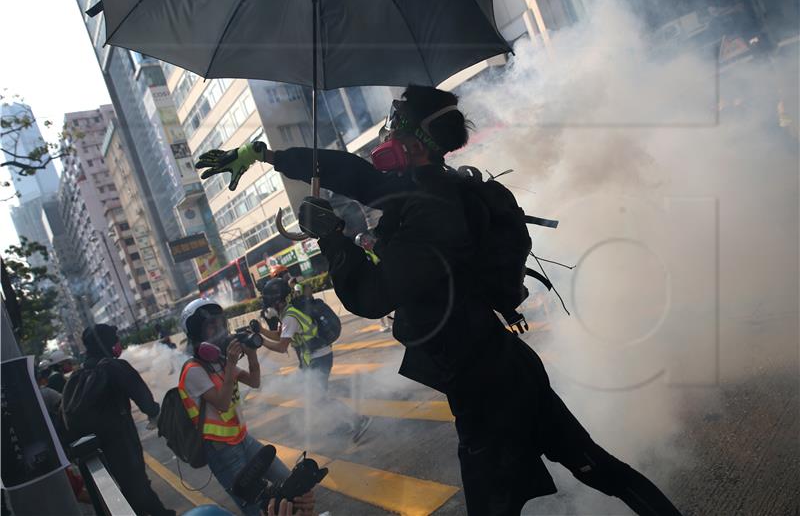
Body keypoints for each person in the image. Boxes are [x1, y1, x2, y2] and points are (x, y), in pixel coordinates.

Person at [196, 85, 683, 515]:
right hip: (502, 369)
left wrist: (334, 239)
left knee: (553, 481)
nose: (386, 136)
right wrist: (265, 154)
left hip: (486, 389)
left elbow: (372, 295)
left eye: (394, 126)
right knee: (596, 466)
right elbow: (351, 173)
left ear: (410, 142)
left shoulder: (434, 211)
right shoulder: (427, 189)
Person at [179, 299, 312, 516]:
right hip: (222, 450)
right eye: (211, 326)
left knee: (287, 480)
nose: (219, 331)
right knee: (253, 505)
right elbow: (222, 403)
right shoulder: (193, 370)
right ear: (196, 334)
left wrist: (251, 354)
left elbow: (254, 381)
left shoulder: (220, 362)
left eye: (220, 324)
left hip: (243, 438)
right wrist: (231, 363)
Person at [257, 278, 372, 443]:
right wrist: (260, 331)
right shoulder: (287, 313)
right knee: (315, 396)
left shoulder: (289, 317)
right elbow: (278, 335)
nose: (267, 306)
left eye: (268, 302)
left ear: (277, 301)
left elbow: (282, 346)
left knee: (319, 397)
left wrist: (260, 342)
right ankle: (342, 424)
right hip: (313, 358)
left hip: (319, 357)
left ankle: (359, 419)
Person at [80, 324, 175, 516]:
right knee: (136, 486)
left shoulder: (82, 371)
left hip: (95, 448)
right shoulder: (113, 366)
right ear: (105, 342)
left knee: (132, 485)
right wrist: (156, 415)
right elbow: (143, 396)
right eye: (114, 339)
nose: (118, 343)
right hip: (121, 440)